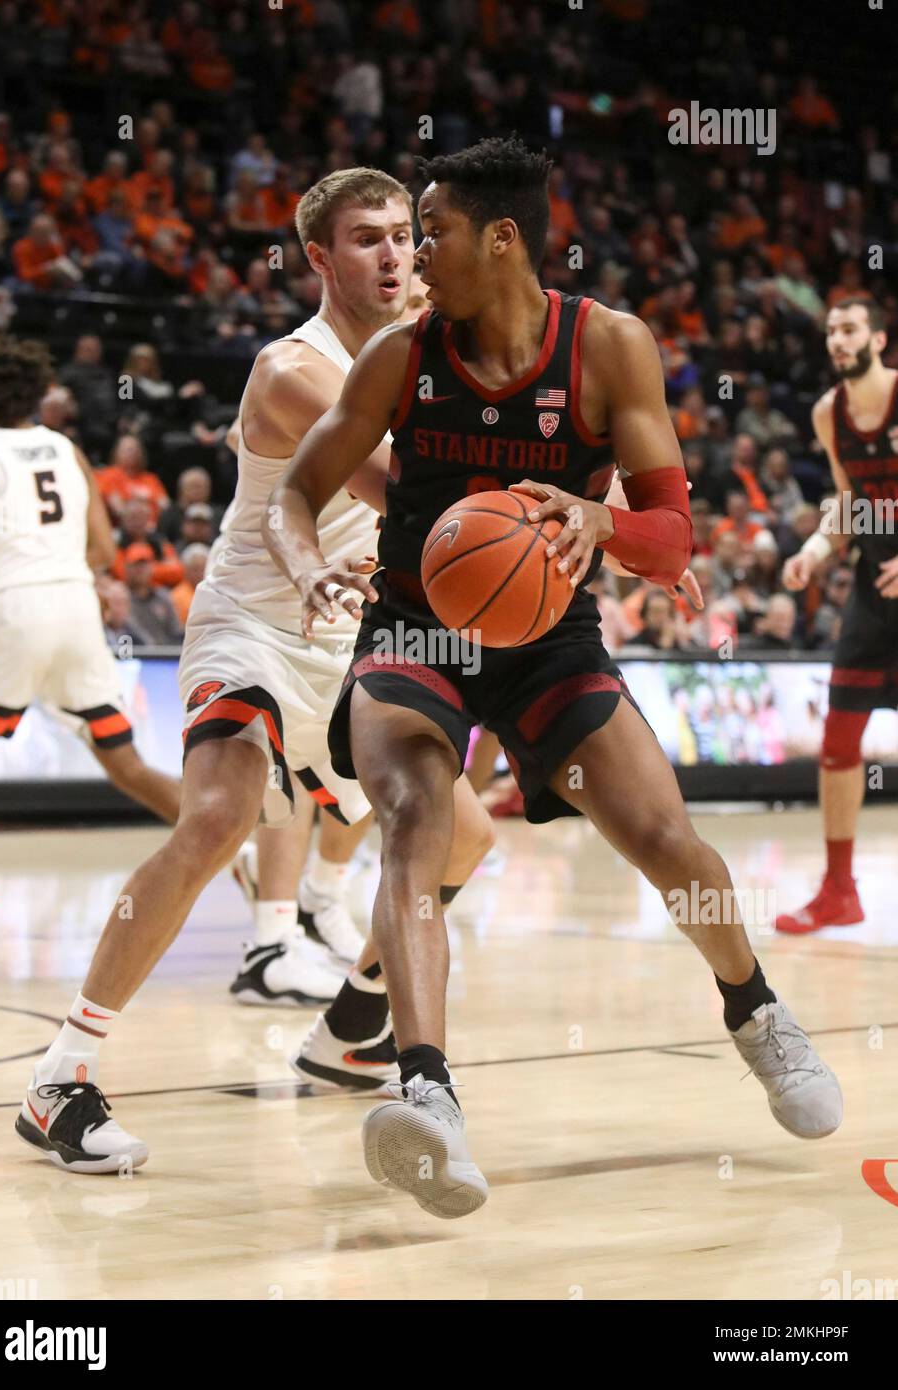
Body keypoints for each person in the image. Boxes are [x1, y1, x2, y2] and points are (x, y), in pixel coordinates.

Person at [267, 136, 842, 1220]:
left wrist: (597, 518)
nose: (416, 256)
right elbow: (295, 493)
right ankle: (426, 1090)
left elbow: (672, 539)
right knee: (409, 813)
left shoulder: (607, 346)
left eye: (430, 231)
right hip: (412, 629)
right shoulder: (399, 355)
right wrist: (306, 566)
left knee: (664, 839)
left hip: (546, 639)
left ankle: (757, 1011)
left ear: (502, 238)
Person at [14, 168, 492, 1173]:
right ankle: (61, 1074)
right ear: (318, 258)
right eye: (367, 238)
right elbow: (401, 490)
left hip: (349, 639)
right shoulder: (293, 369)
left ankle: (351, 1024)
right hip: (256, 623)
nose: (395, 254)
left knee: (464, 832)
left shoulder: (432, 358)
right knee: (219, 812)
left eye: (405, 233)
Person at [0, 338, 182, 944]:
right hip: (77, 609)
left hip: (17, 612)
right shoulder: (69, 450)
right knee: (126, 763)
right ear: (37, 394)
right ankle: (232, 848)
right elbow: (107, 552)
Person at [778, 298, 898, 932]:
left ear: (878, 337)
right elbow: (849, 505)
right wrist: (815, 550)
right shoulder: (830, 414)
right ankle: (837, 890)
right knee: (838, 743)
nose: (838, 340)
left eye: (850, 329)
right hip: (875, 601)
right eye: (830, 331)